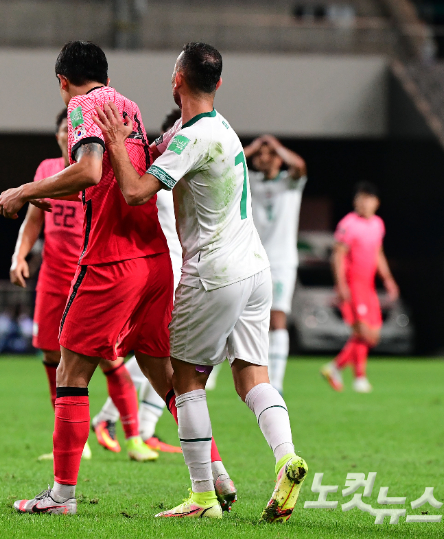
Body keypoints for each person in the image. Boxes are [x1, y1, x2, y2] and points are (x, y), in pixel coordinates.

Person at [93, 42, 307, 521]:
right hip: (256, 269)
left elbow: (133, 191)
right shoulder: (220, 129)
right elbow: (164, 152)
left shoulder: (194, 139)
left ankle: (203, 497)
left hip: (214, 272)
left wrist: (112, 143)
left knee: (186, 379)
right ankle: (287, 457)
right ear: (219, 84)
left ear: (177, 81)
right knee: (253, 376)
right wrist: (143, 144)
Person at [0, 41, 171, 515]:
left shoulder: (82, 104)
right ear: (106, 73)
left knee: (71, 372)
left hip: (109, 260)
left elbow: (90, 171)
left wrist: (23, 191)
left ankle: (60, 496)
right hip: (154, 256)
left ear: (61, 81)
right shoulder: (128, 106)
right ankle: (213, 477)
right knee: (167, 377)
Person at [10, 109, 144, 462]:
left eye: (72, 128)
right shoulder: (46, 171)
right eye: (63, 130)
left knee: (108, 360)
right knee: (52, 357)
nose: (67, 134)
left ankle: (135, 437)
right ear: (58, 137)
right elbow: (33, 219)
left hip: (91, 275)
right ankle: (75, 443)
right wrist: (19, 256)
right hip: (54, 277)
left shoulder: (98, 170)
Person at [90, 109, 183, 455]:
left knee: (167, 356)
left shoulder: (186, 163)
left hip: (178, 269)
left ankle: (141, 428)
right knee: (160, 355)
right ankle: (113, 419)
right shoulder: (157, 167)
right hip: (164, 268)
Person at [321, 182, 398, 393]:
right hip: (354, 284)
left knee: (373, 334)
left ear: (376, 203)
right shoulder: (349, 224)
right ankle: (359, 377)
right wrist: (341, 285)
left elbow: (377, 254)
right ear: (355, 201)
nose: (364, 203)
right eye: (360, 198)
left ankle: (336, 367)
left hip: (369, 285)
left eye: (368, 199)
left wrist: (388, 279)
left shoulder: (378, 224)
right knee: (364, 332)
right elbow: (337, 256)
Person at [246, 135, 307, 394]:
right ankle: (215, 372)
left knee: (277, 318)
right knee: (243, 317)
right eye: (261, 155)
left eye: (270, 154)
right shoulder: (251, 181)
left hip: (282, 261)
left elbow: (300, 165)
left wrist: (275, 145)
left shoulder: (289, 183)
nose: (264, 157)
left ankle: (277, 382)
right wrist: (255, 146)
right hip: (253, 258)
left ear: (280, 158)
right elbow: (231, 161)